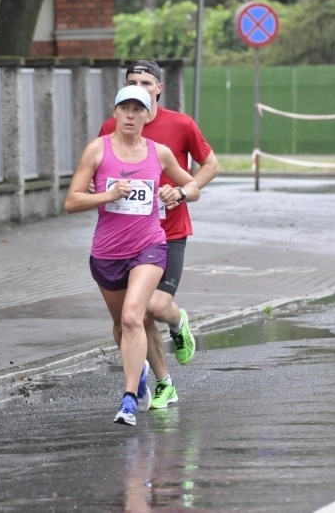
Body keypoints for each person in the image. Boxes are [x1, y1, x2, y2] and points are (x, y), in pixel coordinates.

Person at [65, 85, 200, 426]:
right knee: (119, 325)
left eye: (137, 109)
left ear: (146, 116)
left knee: (132, 317)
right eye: (124, 108)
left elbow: (194, 187)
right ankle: (140, 374)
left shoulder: (160, 153)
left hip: (150, 247)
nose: (130, 115)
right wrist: (106, 195)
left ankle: (128, 399)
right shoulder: (97, 151)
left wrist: (177, 192)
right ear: (115, 113)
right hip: (107, 253)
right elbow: (71, 201)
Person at [98, 60, 219, 410]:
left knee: (155, 306)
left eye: (147, 82)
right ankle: (163, 383)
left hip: (169, 230)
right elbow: (98, 168)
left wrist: (182, 191)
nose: (141, 86)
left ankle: (178, 321)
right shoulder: (111, 126)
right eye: (132, 81)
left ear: (159, 88)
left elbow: (211, 165)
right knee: (135, 316)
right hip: (126, 237)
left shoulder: (180, 124)